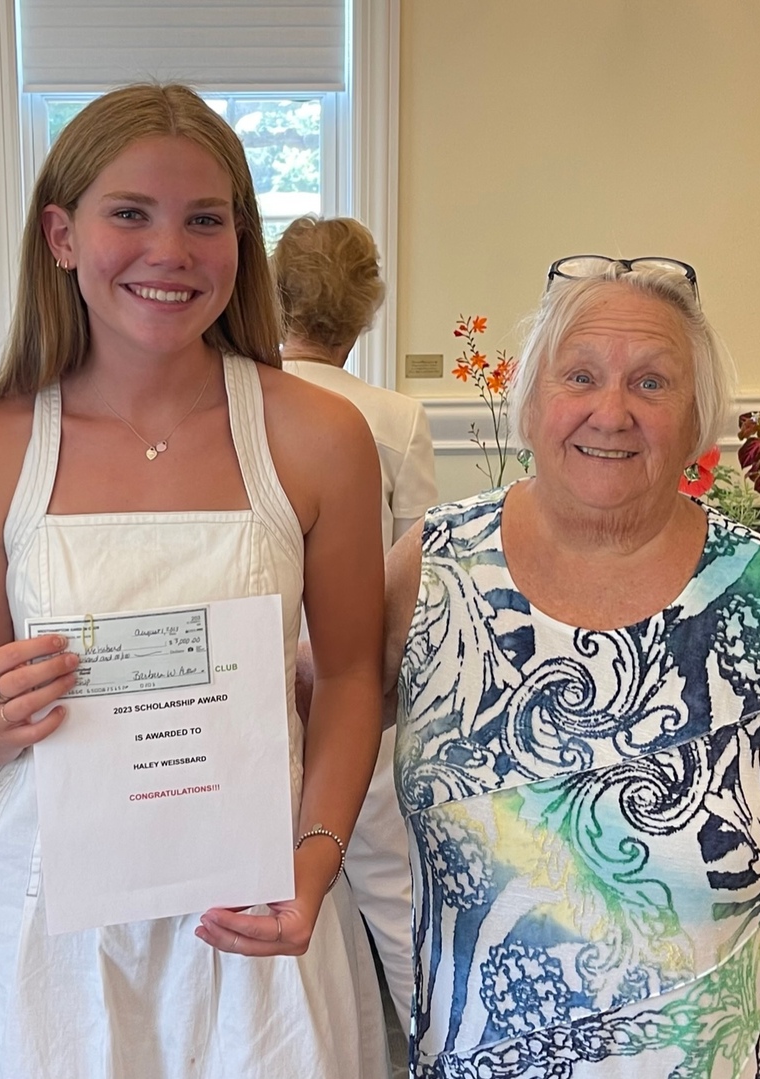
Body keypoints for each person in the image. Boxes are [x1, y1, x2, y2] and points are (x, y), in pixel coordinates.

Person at [0, 84, 389, 1078]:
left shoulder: (318, 438)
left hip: (256, 909)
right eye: (129, 213)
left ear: (242, 240)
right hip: (44, 920)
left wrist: (313, 863)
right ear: (61, 233)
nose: (169, 252)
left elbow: (352, 676)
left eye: (204, 220)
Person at [383, 257, 760, 1078]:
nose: (610, 412)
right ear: (533, 400)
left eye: (651, 384)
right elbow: (304, 707)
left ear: (695, 421)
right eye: (579, 375)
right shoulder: (435, 566)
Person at [272, 214, 436, 1042]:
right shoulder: (396, 417)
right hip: (360, 684)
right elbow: (421, 568)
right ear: (367, 308)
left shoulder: (240, 405)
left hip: (263, 682)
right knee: (395, 896)